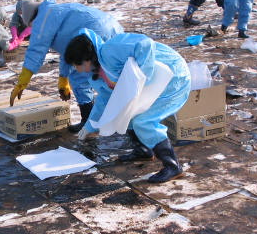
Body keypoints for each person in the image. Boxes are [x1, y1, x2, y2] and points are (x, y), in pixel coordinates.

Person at [64, 29, 191, 183]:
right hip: (149, 87)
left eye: (78, 64)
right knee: (126, 115)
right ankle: (143, 150)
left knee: (144, 121)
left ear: (87, 58)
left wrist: (145, 75)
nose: (77, 69)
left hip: (172, 76)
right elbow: (105, 101)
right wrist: (90, 126)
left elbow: (145, 44)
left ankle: (172, 166)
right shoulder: (96, 76)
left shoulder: (111, 49)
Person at [9, 0, 123, 133]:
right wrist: (63, 77)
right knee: (115, 72)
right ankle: (130, 111)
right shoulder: (55, 11)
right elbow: (67, 49)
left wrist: (23, 81)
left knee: (80, 76)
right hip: (112, 27)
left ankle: (90, 122)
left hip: (95, 32)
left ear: (31, 19)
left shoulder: (42, 20)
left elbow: (36, 50)